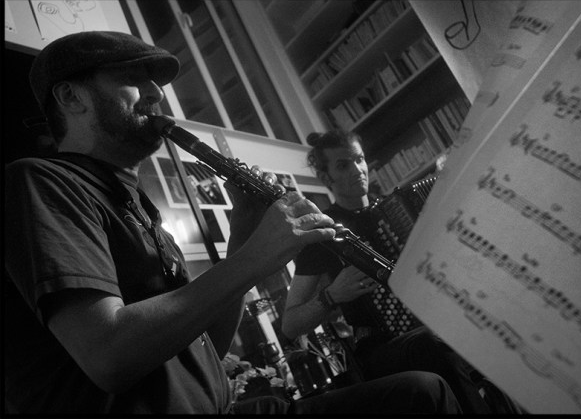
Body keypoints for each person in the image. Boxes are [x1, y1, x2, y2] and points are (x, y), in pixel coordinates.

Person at [4, 30, 462, 415]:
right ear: (71, 96)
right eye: (133, 78)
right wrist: (257, 258)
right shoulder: (42, 182)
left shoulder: (139, 207)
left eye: (155, 81)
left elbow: (210, 349)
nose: (156, 94)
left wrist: (242, 233)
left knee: (423, 391)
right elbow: (108, 355)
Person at [283, 129, 524, 414]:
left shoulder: (400, 205)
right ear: (326, 178)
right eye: (343, 165)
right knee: (432, 344)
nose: (357, 170)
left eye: (359, 159)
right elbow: (290, 325)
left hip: (434, 322)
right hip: (380, 345)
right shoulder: (324, 235)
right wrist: (332, 295)